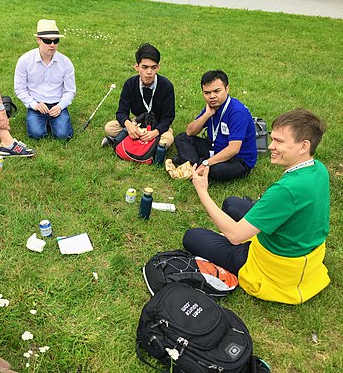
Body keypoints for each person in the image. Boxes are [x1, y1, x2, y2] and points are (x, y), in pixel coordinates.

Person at [183, 109, 330, 304]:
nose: (270, 146)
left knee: (193, 237)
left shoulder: (285, 191)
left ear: (304, 146)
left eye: (279, 141)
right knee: (231, 203)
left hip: (276, 264)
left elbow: (235, 236)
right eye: (272, 139)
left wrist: (202, 191)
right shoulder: (318, 168)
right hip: (302, 246)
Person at [173, 70, 257, 181]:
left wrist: (206, 163)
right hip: (215, 148)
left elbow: (233, 149)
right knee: (181, 138)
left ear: (227, 89)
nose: (212, 96)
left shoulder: (237, 112)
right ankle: (196, 165)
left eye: (217, 91)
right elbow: (190, 132)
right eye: (207, 93)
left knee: (214, 171)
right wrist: (206, 115)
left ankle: (192, 163)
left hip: (238, 159)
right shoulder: (211, 107)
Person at [101, 43, 175, 150]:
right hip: (138, 123)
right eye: (144, 67)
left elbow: (168, 118)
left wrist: (155, 132)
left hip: (157, 126)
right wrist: (129, 125)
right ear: (137, 67)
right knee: (109, 127)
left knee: (168, 138)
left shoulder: (166, 86)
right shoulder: (130, 84)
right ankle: (146, 143)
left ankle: (122, 139)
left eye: (153, 67)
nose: (149, 72)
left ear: (158, 67)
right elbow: (121, 112)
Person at [14, 19, 76, 140]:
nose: (52, 45)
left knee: (63, 136)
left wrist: (60, 106)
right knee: (36, 135)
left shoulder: (66, 62)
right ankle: (45, 122)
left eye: (56, 40)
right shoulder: (25, 60)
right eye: (48, 41)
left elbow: (70, 91)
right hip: (37, 104)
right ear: (38, 40)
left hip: (57, 104)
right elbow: (20, 89)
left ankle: (54, 121)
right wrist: (34, 105)